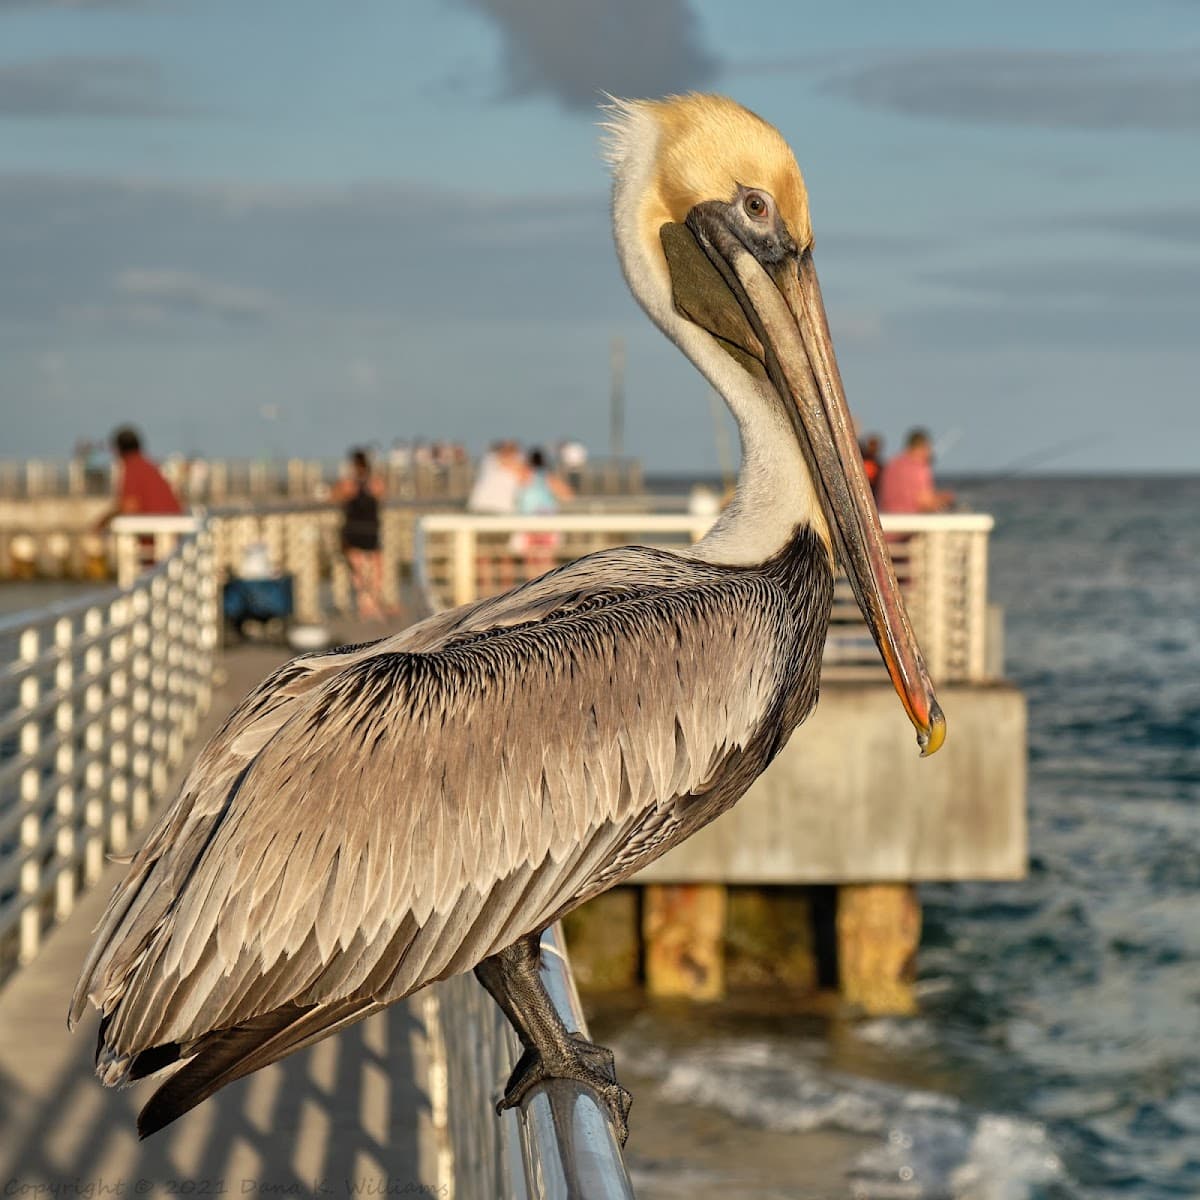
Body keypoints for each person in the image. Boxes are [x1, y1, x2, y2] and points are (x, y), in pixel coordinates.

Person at [332, 448, 389, 621]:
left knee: (357, 568)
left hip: (355, 528)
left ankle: (365, 603)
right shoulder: (375, 482)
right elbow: (382, 494)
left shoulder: (349, 484)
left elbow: (335, 496)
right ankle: (371, 603)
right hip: (370, 528)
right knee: (375, 567)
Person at [94, 426, 184, 531]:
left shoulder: (132, 467)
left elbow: (129, 505)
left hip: (152, 534)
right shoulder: (150, 467)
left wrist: (101, 523)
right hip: (173, 531)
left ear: (118, 450)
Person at [512, 446, 574, 577]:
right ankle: (548, 589)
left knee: (530, 560)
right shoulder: (547, 477)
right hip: (547, 521)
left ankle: (532, 589)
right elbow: (568, 495)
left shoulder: (524, 474)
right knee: (546, 559)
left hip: (528, 521)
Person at [876, 428, 955, 514]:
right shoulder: (919, 468)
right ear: (924, 447)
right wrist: (945, 498)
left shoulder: (891, 464)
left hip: (886, 518)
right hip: (909, 521)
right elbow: (924, 502)